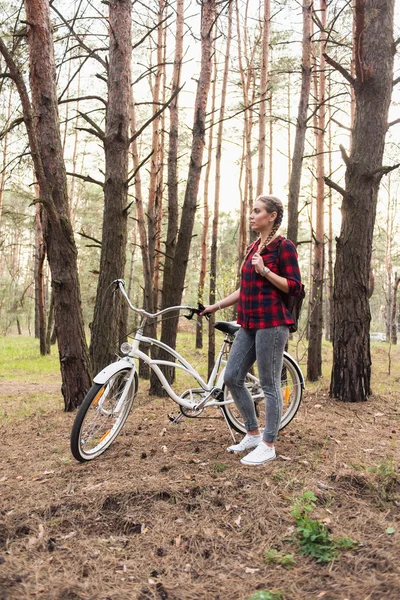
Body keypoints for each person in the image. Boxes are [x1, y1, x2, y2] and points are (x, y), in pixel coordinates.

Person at [201, 195, 302, 466]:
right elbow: (245, 289)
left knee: (269, 385)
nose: (252, 215)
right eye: (252, 210)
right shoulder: (253, 247)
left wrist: (266, 271)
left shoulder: (284, 247)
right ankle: (253, 433)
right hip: (248, 323)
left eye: (257, 211)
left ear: (271, 216)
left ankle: (268, 444)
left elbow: (295, 287)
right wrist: (215, 306)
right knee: (232, 377)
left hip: (272, 323)